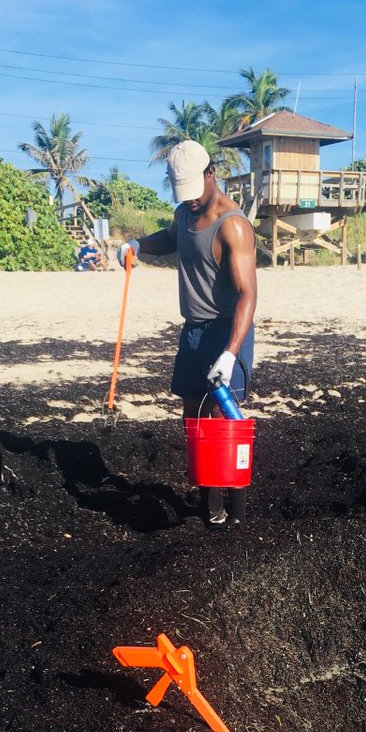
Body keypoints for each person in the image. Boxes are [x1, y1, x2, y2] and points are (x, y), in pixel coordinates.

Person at [117, 139, 257, 526]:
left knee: (221, 417)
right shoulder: (184, 212)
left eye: (195, 191)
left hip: (228, 330)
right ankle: (209, 504)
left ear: (211, 174)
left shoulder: (234, 226)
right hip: (194, 331)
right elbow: (170, 237)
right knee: (193, 416)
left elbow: (248, 294)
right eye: (183, 194)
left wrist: (231, 353)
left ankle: (238, 512)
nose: (190, 200)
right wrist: (137, 245)